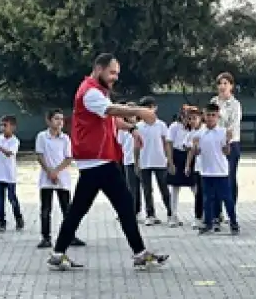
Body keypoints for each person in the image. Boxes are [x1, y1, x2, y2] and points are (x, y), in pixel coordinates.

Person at [47, 53, 168, 271]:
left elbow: (110, 119)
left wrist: (131, 128)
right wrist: (140, 111)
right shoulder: (90, 91)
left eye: (117, 74)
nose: (115, 77)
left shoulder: (97, 91)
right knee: (124, 205)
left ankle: (58, 253)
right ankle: (140, 253)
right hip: (98, 161)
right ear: (99, 68)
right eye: (112, 72)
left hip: (96, 161)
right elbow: (111, 110)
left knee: (80, 210)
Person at [35, 109, 86, 248]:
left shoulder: (65, 138)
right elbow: (39, 156)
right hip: (46, 178)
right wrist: (49, 171)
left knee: (67, 209)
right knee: (46, 209)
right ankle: (46, 237)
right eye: (56, 118)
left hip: (62, 178)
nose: (59, 122)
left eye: (61, 119)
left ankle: (70, 236)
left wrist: (56, 171)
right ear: (49, 120)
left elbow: (68, 158)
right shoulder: (42, 136)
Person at [192, 103, 239, 235]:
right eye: (208, 115)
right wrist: (195, 146)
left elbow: (226, 152)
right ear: (203, 116)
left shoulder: (223, 132)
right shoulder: (200, 133)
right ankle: (208, 223)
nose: (211, 118)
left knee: (227, 198)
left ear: (218, 116)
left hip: (221, 171)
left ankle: (233, 222)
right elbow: (197, 153)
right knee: (207, 199)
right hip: (206, 171)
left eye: (213, 115)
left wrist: (228, 141)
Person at [134, 96, 174, 226]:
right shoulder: (138, 126)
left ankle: (171, 213)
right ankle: (150, 214)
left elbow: (166, 143)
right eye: (145, 108)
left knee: (164, 188)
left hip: (160, 161)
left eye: (150, 107)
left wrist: (169, 160)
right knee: (147, 190)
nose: (148, 110)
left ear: (155, 108)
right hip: (145, 161)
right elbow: (136, 145)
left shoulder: (161, 125)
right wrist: (136, 162)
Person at [211, 72, 242, 222]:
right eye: (220, 83)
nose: (222, 86)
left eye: (225, 83)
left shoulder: (235, 104)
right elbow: (209, 120)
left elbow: (233, 125)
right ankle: (217, 213)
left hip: (231, 143)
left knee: (229, 178)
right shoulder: (214, 101)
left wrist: (226, 139)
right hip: (215, 144)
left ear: (231, 85)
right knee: (215, 177)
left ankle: (231, 211)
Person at [0, 115, 24, 232]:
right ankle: (1, 222)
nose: (3, 128)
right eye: (1, 125)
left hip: (9, 175)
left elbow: (10, 153)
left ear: (13, 127)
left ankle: (18, 218)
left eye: (6, 125)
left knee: (12, 198)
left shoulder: (15, 141)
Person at [166, 105, 196, 226]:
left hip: (191, 155)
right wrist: (170, 161)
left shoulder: (195, 128)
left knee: (195, 187)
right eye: (186, 116)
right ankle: (173, 216)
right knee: (174, 187)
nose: (188, 119)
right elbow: (169, 143)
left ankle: (200, 215)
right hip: (177, 155)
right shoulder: (174, 126)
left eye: (191, 117)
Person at [184, 107, 205, 229]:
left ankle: (214, 215)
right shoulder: (191, 134)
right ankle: (198, 217)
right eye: (190, 119)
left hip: (210, 167)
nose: (192, 121)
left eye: (195, 118)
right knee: (199, 193)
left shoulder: (204, 131)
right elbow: (191, 151)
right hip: (198, 167)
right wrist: (187, 165)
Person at [117, 115, 142, 218]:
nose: (131, 117)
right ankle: (132, 211)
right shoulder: (123, 130)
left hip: (141, 161)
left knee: (142, 187)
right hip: (128, 160)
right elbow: (120, 142)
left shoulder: (141, 127)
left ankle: (140, 210)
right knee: (131, 187)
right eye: (128, 115)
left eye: (133, 114)